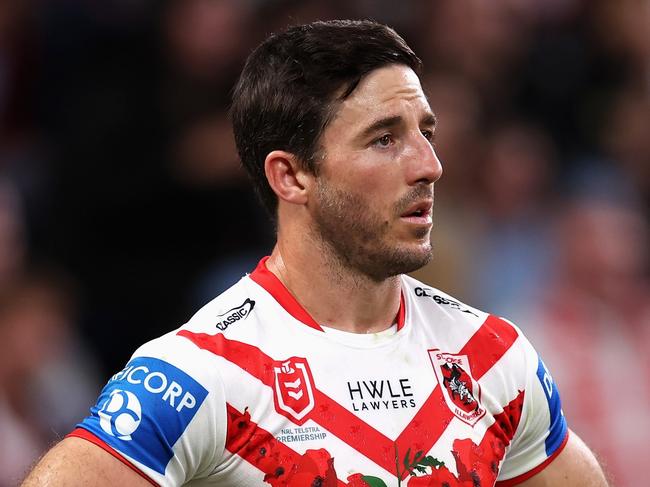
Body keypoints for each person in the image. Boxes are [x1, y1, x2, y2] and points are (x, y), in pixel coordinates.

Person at [22, 20, 608, 486]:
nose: (430, 165)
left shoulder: (494, 358)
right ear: (291, 177)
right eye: (384, 139)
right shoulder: (204, 373)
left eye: (425, 131)